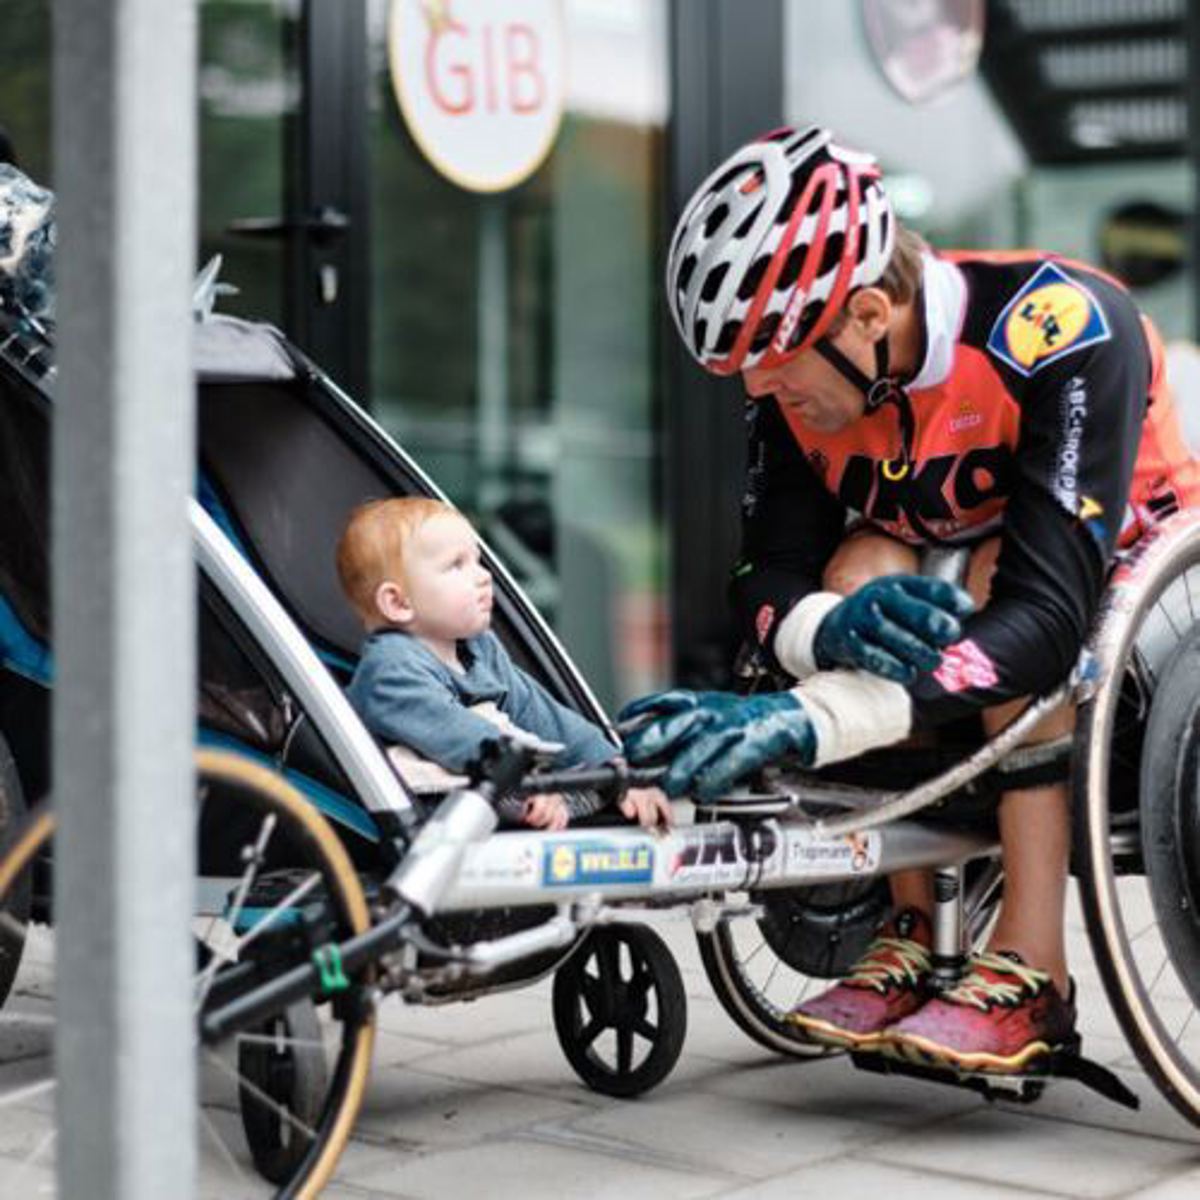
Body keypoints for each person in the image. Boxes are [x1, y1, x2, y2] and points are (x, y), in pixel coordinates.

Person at [622, 125, 1200, 1073]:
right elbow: (763, 578)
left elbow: (1047, 614)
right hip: (970, 636)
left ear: (866, 311)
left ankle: (1031, 969)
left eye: (774, 351)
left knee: (988, 579)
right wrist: (822, 629)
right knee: (857, 573)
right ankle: (909, 937)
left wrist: (822, 715)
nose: (757, 384)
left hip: (1144, 638)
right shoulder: (800, 389)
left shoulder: (1059, 328)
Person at [338, 496, 671, 831]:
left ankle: (571, 798)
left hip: (502, 779)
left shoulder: (479, 648)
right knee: (528, 782)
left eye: (478, 560)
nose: (483, 576)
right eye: (457, 564)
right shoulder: (389, 668)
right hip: (438, 805)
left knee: (595, 779)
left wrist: (613, 765)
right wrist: (525, 778)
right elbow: (458, 734)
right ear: (398, 603)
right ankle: (554, 802)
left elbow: (541, 712)